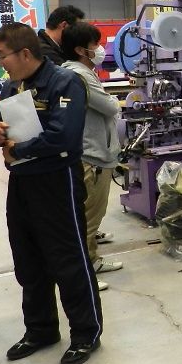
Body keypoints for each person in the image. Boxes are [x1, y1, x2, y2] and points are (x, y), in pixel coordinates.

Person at [0, 22, 102, 364]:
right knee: (28, 259)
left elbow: (63, 136)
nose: (0, 62)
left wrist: (18, 150)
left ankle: (86, 333)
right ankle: (40, 329)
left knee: (68, 259)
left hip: (57, 181)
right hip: (22, 183)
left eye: (3, 55)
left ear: (24, 53)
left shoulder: (65, 82)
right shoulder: (12, 86)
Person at [60, 21, 123, 290]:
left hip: (93, 151)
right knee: (87, 218)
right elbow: (109, 106)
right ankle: (83, 276)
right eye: (95, 44)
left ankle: (92, 261)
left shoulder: (79, 72)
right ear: (80, 49)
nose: (100, 49)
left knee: (91, 216)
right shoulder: (79, 76)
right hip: (92, 156)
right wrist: (115, 102)